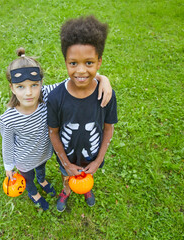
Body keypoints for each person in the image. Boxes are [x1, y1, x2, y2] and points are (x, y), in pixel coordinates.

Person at [0, 47, 113, 211]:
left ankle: (43, 180)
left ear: (41, 83)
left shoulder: (45, 95)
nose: (29, 93)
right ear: (12, 87)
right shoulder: (8, 119)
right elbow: (8, 144)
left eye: (34, 85)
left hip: (44, 154)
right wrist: (8, 166)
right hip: (24, 161)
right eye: (21, 87)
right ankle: (33, 193)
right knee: (28, 178)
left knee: (41, 170)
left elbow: (74, 79)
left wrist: (103, 78)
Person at [47, 16, 118, 212]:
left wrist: (97, 161)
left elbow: (108, 129)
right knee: (66, 174)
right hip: (66, 157)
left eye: (88, 63)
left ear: (99, 62)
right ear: (66, 62)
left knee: (88, 174)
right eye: (73, 63)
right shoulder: (55, 98)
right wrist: (66, 163)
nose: (80, 70)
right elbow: (53, 132)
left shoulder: (106, 95)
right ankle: (66, 189)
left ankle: (86, 188)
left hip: (92, 157)